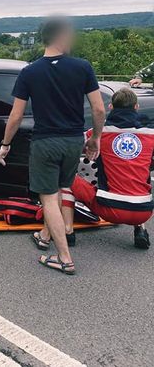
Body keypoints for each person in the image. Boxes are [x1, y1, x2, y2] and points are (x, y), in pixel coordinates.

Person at [0, 17, 106, 275]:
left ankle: (64, 258)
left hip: (46, 142)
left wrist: (5, 144)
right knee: (59, 189)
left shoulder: (30, 72)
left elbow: (15, 116)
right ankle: (45, 235)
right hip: (73, 141)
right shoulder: (83, 67)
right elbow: (99, 109)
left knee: (47, 197)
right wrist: (95, 138)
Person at [40, 88, 153, 249]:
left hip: (110, 209)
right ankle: (140, 229)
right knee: (137, 179)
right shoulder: (150, 135)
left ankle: (68, 231)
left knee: (66, 179)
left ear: (111, 108)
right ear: (136, 107)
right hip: (144, 211)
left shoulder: (99, 133)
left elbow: (71, 147)